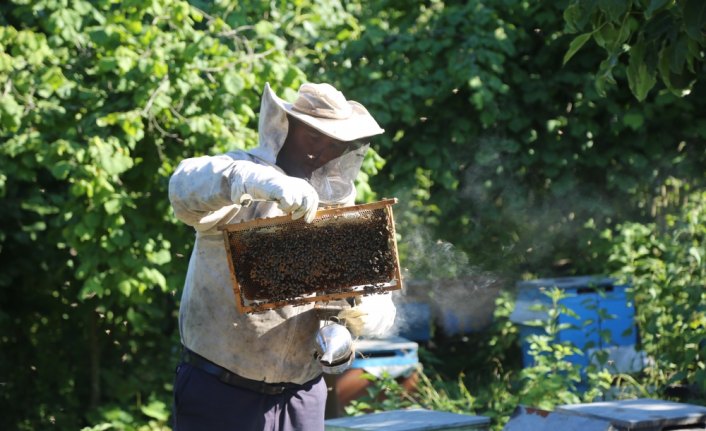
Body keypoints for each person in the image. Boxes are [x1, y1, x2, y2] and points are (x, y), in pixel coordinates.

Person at [168, 82, 397, 431]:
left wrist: (363, 317)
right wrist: (258, 182)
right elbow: (183, 187)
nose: (321, 153)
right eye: (313, 138)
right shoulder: (240, 173)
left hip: (301, 395)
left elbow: (358, 295)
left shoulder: (339, 206)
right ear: (286, 127)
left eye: (334, 144)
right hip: (221, 390)